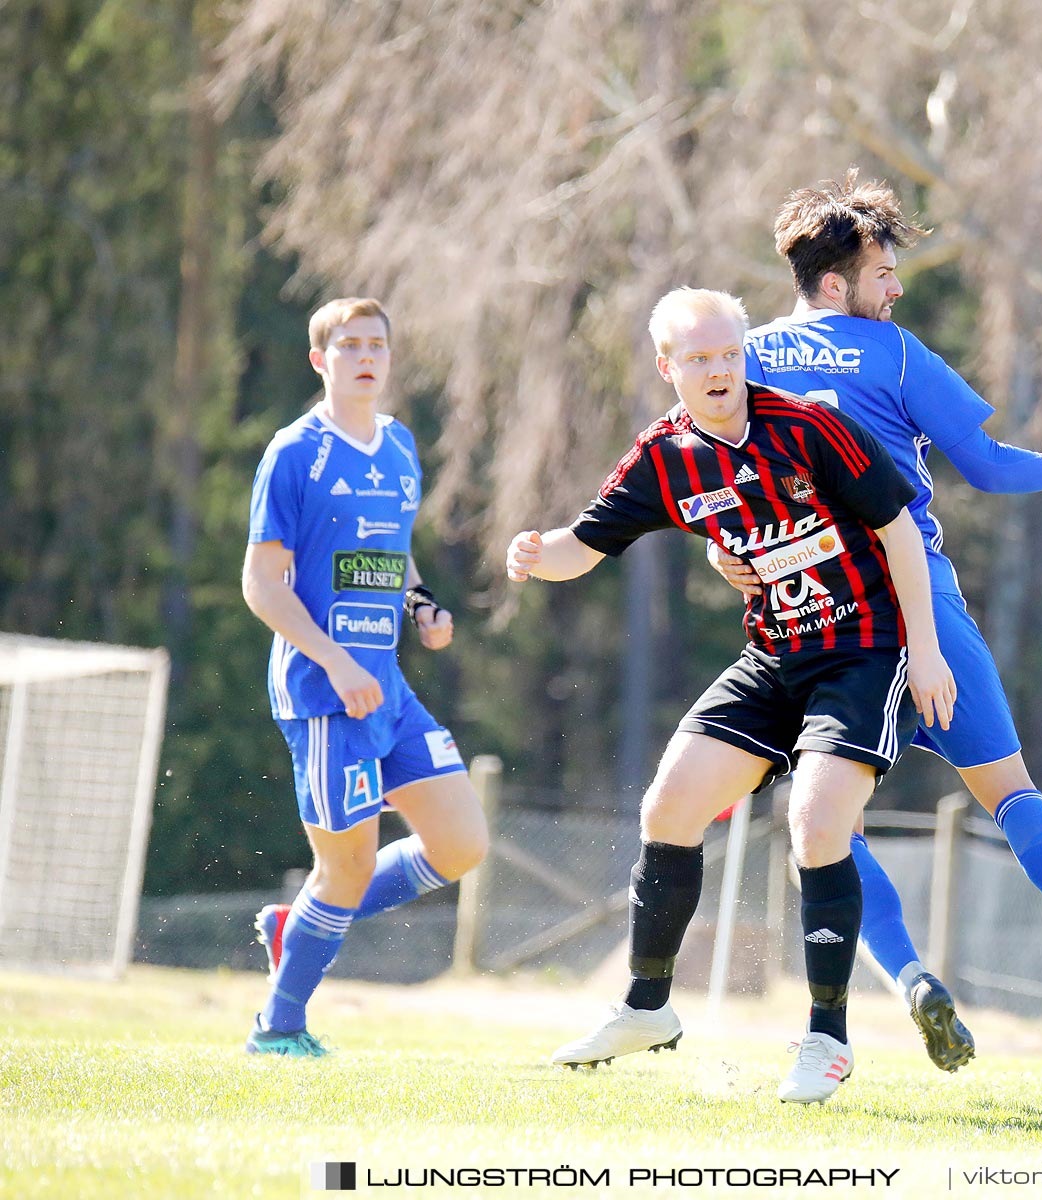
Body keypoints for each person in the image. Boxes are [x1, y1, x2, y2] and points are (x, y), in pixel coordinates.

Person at [713, 171, 1042, 1065]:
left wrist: (730, 557)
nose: (896, 287)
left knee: (829, 828)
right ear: (837, 284)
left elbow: (715, 484)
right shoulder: (899, 355)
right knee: (1012, 791)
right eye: (883, 273)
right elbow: (988, 468)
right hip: (920, 605)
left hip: (816, 620)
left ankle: (912, 977)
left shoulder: (744, 360)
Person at [506, 287, 955, 1105]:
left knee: (817, 823)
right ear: (667, 366)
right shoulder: (663, 456)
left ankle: (827, 1039)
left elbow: (897, 527)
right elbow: (584, 545)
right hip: (772, 656)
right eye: (700, 358)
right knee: (668, 807)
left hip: (861, 651)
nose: (718, 371)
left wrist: (924, 651)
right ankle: (647, 1009)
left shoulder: (808, 426)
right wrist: (537, 552)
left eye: (729, 354)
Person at [241, 297, 489, 1056]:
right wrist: (336, 660)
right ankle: (277, 1029)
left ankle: (306, 922)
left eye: (376, 343)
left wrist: (422, 607)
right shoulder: (294, 451)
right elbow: (262, 585)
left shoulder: (401, 447)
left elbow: (395, 552)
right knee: (343, 867)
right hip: (324, 694)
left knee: (461, 844)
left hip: (386, 688)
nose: (364, 356)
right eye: (347, 345)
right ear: (321, 361)